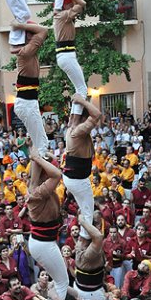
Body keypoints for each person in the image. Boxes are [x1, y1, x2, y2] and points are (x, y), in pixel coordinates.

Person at [27, 149, 68, 300]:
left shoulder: (39, 187)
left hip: (45, 241)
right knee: (62, 281)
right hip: (42, 244)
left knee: (59, 281)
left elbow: (56, 168)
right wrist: (37, 157)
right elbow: (57, 174)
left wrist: (45, 155)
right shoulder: (37, 192)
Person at [63, 94, 100, 237]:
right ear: (84, 119)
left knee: (86, 208)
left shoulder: (72, 126)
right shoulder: (77, 131)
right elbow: (97, 115)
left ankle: (84, 233)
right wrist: (81, 101)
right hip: (78, 179)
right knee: (88, 211)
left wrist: (77, 100)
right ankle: (84, 238)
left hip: (74, 177)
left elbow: (74, 115)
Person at [10, 21, 49, 157]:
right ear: (29, 36)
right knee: (43, 145)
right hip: (27, 103)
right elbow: (43, 30)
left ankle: (37, 172)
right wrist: (21, 26)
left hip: (27, 102)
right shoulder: (26, 52)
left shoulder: (27, 52)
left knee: (39, 144)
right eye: (33, 35)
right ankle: (38, 174)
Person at [53, 0, 88, 116]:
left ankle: (74, 119)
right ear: (65, 6)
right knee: (82, 89)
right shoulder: (63, 15)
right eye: (70, 3)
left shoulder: (61, 16)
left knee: (80, 89)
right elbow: (82, 3)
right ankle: (74, 121)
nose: (73, 5)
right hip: (67, 55)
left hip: (65, 55)